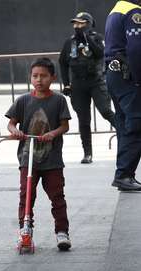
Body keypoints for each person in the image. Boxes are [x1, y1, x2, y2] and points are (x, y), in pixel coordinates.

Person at [6, 58, 72, 250]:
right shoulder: (23, 100)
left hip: (52, 160)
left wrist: (53, 133)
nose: (39, 80)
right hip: (28, 159)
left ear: (53, 77)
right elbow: (11, 122)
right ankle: (25, 230)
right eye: (35, 76)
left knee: (57, 196)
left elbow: (65, 125)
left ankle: (62, 232)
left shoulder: (59, 100)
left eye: (43, 76)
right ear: (30, 78)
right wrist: (14, 130)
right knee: (26, 196)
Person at [59, 12, 116, 164]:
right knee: (84, 120)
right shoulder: (69, 42)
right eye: (75, 24)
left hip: (96, 82)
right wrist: (66, 83)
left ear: (89, 24)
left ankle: (127, 135)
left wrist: (87, 38)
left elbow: (100, 53)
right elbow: (62, 63)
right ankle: (87, 153)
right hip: (78, 85)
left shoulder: (97, 38)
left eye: (81, 23)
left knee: (105, 111)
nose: (77, 26)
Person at [105, 0, 141, 191]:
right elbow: (136, 48)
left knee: (124, 122)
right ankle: (124, 174)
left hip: (115, 74)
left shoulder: (117, 9)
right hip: (128, 75)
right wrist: (138, 77)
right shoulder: (134, 11)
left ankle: (123, 173)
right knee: (136, 122)